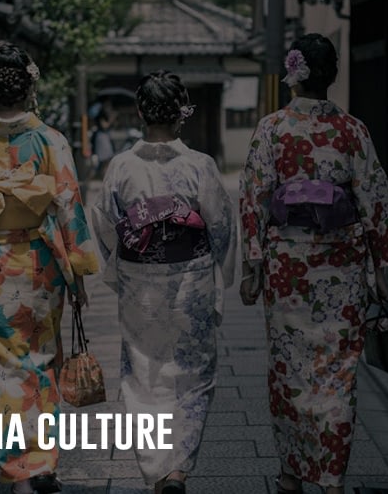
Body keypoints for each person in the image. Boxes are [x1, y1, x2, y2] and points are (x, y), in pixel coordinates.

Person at [238, 33, 388, 494]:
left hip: (287, 270)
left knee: (289, 369)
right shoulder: (352, 131)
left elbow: (254, 198)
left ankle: (292, 473)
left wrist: (252, 265)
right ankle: (331, 478)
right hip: (342, 268)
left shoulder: (272, 129)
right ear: (331, 75)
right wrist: (380, 270)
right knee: (337, 375)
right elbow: (374, 198)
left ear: (292, 74)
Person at [0, 41, 99, 494]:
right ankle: (43, 464)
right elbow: (69, 205)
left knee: (1, 369)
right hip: (43, 262)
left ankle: (17, 472)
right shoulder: (51, 140)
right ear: (29, 87)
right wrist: (79, 272)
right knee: (43, 361)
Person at [90, 70, 238, 494]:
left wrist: (120, 268)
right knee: (193, 375)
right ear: (181, 115)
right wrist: (219, 278)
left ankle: (157, 470)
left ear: (140, 113)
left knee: (143, 376)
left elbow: (104, 225)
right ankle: (178, 469)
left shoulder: (121, 166)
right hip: (190, 277)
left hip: (140, 279)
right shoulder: (200, 166)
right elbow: (222, 228)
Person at [90, 109, 116, 179]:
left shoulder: (103, 130)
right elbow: (105, 126)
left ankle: (103, 177)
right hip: (102, 143)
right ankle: (102, 177)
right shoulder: (101, 119)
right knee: (104, 163)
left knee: (105, 163)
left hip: (104, 143)